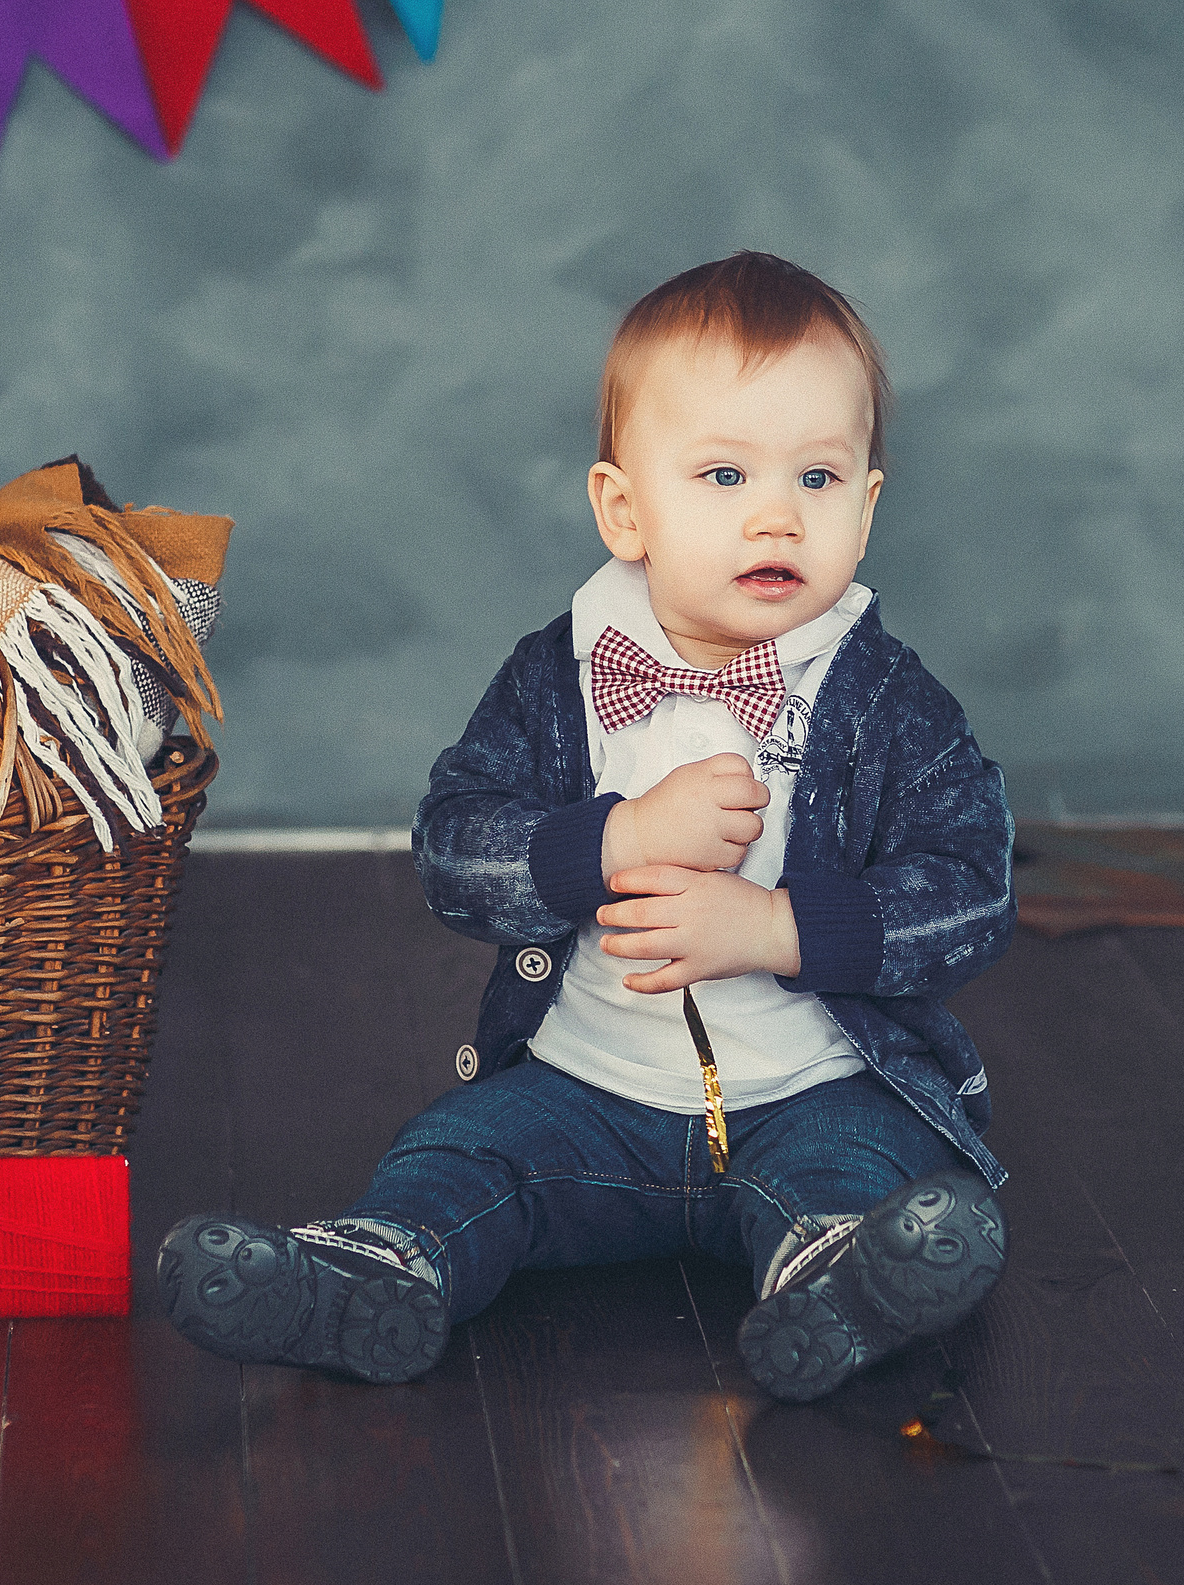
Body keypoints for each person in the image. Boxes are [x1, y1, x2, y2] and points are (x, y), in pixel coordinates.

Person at [158, 251, 1014, 1401]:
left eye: (817, 478)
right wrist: (610, 843)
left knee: (859, 1165)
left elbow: (972, 893)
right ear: (624, 509)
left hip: (811, 1092)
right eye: (722, 474)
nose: (775, 513)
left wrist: (774, 928)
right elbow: (452, 855)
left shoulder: (887, 705)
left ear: (864, 510)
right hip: (585, 1094)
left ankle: (836, 1278)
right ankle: (375, 1271)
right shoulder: (554, 679)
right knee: (461, 1149)